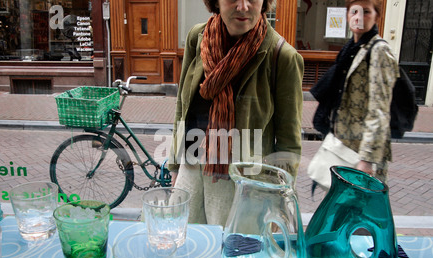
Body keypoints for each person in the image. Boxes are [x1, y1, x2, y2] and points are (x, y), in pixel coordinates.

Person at [168, 0, 304, 226]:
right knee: (186, 248)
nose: (243, 6)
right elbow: (182, 108)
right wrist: (174, 166)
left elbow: (289, 144)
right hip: (191, 166)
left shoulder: (282, 56)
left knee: (230, 255)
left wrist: (279, 199)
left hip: (241, 180)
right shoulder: (198, 37)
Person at [310, 0, 399, 183]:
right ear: (347, 15)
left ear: (377, 16)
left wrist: (366, 160)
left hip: (361, 154)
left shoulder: (379, 51)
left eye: (366, 12)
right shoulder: (351, 50)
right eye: (354, 12)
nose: (359, 17)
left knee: (360, 208)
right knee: (340, 204)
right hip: (344, 145)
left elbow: (379, 111)